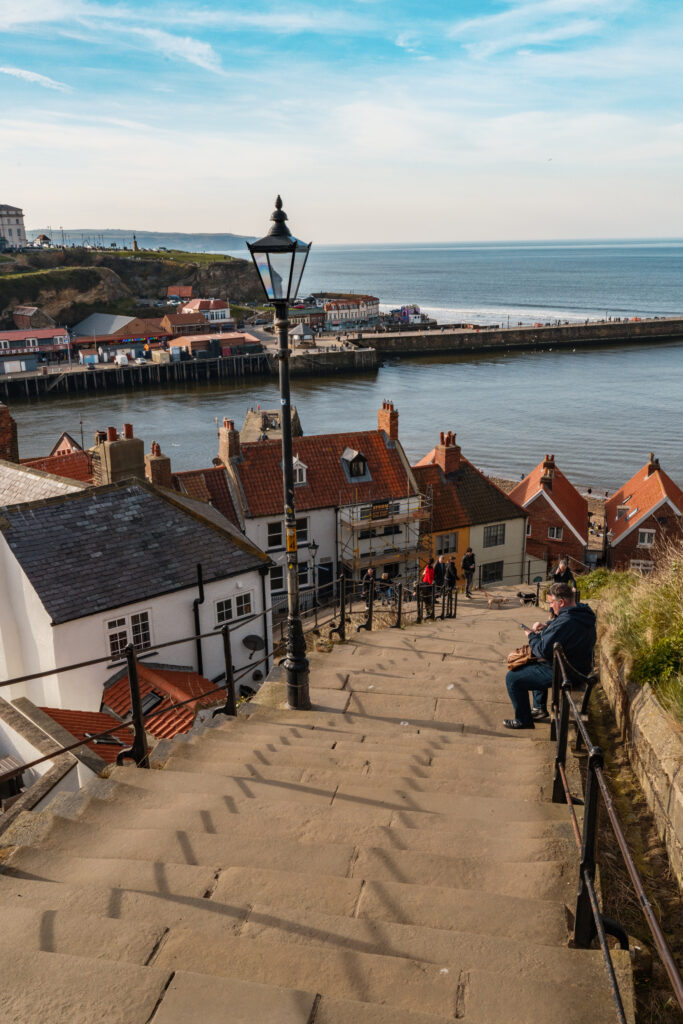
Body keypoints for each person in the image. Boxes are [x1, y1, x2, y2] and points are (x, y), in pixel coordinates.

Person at [503, 582, 596, 730]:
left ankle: (523, 720)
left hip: (567, 673)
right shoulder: (582, 611)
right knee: (533, 664)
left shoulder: (567, 621)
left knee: (512, 678)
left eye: (552, 603)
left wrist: (531, 635)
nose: (551, 606)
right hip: (580, 666)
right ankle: (539, 708)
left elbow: (542, 650)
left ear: (562, 602)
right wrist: (548, 626)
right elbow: (562, 626)